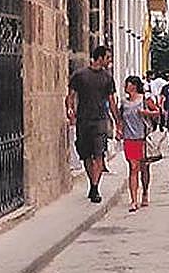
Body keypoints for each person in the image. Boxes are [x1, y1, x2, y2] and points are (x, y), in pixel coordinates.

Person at [67, 46, 120, 203]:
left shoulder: (107, 78)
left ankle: (95, 188)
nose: (109, 61)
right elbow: (71, 95)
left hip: (100, 121)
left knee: (98, 155)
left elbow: (111, 101)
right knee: (86, 155)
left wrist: (117, 121)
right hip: (83, 120)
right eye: (108, 57)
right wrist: (70, 110)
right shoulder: (80, 75)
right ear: (100, 57)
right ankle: (92, 183)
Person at [117, 75, 159, 211]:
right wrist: (119, 130)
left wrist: (145, 113)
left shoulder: (144, 99)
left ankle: (145, 192)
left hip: (142, 138)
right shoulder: (123, 102)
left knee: (143, 168)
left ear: (134, 85)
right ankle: (133, 199)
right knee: (133, 167)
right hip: (129, 139)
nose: (125, 87)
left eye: (127, 84)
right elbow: (120, 118)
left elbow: (157, 112)